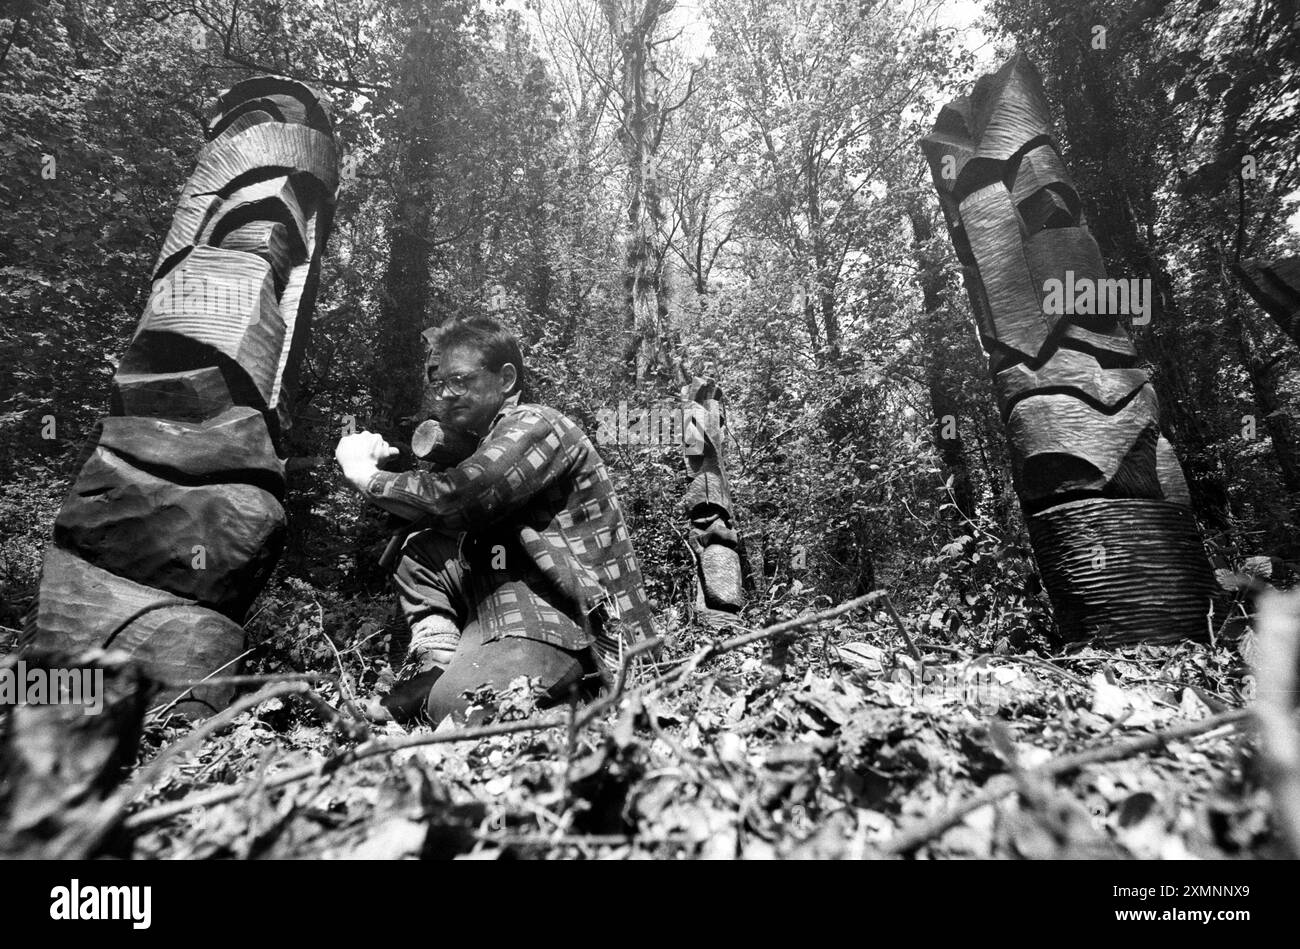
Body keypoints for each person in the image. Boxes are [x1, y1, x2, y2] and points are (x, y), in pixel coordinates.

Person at [334, 316, 657, 723]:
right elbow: (430, 512)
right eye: (440, 385)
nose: (447, 395)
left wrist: (365, 474)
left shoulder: (538, 423)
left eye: (461, 380)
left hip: (568, 623)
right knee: (418, 551)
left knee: (455, 707)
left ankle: (586, 695)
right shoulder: (480, 444)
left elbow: (459, 497)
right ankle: (439, 665)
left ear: (505, 379)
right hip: (498, 611)